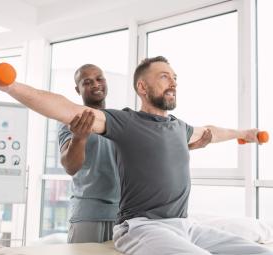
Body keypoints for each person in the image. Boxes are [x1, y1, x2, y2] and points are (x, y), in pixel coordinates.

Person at [0, 56, 273, 255]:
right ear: (142, 88)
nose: (173, 82)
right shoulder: (125, 122)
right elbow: (63, 109)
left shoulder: (179, 128)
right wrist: (8, 85)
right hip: (141, 226)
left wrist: (244, 133)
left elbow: (211, 131)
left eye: (175, 77)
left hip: (183, 224)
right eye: (164, 76)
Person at [59, 64, 212, 243]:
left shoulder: (122, 122)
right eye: (87, 82)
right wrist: (79, 138)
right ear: (78, 89)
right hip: (89, 214)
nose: (96, 84)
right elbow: (70, 166)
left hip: (126, 217)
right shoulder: (71, 123)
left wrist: (188, 147)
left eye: (99, 79)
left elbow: (148, 154)